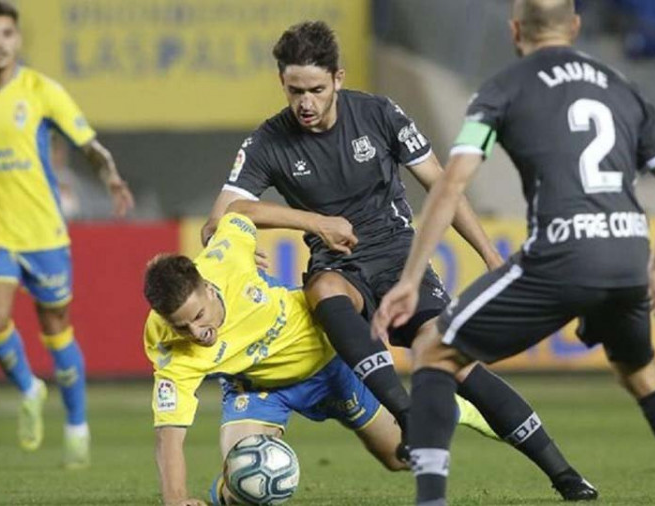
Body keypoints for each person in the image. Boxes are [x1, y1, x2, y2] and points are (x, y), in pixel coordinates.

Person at [204, 20, 597, 500]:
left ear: (339, 79)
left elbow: (443, 187)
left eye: (316, 89)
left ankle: (564, 475)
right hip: (339, 264)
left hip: (397, 260)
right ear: (282, 84)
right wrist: (300, 225)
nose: (305, 102)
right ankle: (407, 413)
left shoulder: (379, 114)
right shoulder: (269, 141)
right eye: (294, 91)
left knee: (454, 360)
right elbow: (218, 220)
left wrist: (492, 256)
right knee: (322, 291)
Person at [372, 1, 655, 505]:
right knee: (641, 372)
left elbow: (452, 183)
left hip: (562, 253)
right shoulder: (623, 87)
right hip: (628, 252)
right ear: (576, 27)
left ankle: (430, 500)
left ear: (516, 31)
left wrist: (409, 279)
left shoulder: (502, 88)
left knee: (434, 352)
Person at [143, 212, 495, 506]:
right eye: (182, 325)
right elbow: (169, 434)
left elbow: (240, 209)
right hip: (256, 388)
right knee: (245, 475)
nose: (197, 332)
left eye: (199, 315)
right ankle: (224, 496)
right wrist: (175, 499)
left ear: (206, 286)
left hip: (328, 363)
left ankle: (446, 407)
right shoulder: (167, 344)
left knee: (399, 457)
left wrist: (317, 223)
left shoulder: (227, 257)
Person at [0, 1, 135, 469]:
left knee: (55, 326)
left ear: (17, 40)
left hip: (43, 231)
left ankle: (77, 424)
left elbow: (88, 144)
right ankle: (29, 387)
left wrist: (112, 176)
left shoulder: (43, 91)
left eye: (6, 34)